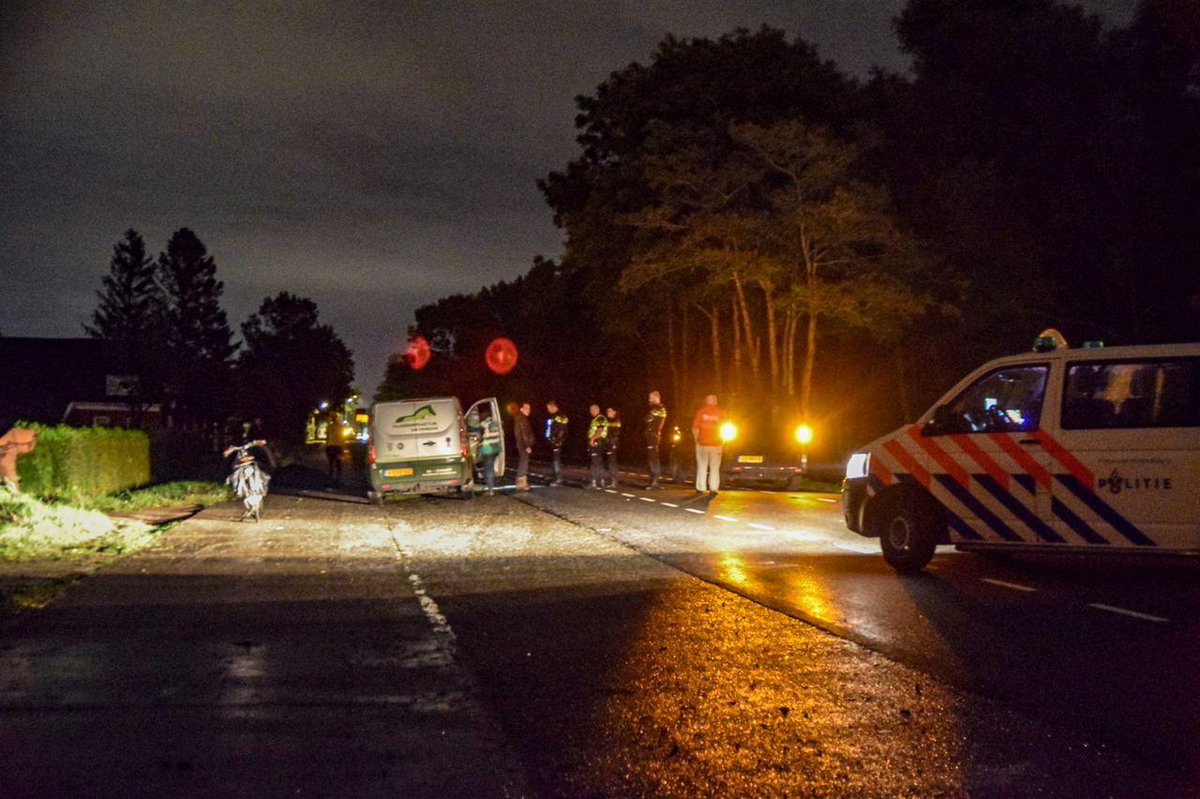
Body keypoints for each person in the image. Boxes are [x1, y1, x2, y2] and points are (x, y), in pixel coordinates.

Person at [691, 394, 727, 496]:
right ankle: (713, 488)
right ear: (716, 402)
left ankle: (701, 488)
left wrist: (697, 440)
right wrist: (723, 441)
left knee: (702, 466)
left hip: (702, 443)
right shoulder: (721, 413)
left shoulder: (701, 412)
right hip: (717, 444)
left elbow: (695, 428)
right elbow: (725, 428)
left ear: (706, 401)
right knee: (715, 467)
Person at [472, 408, 501, 496]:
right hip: (495, 449)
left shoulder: (484, 424)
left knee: (488, 469)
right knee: (490, 468)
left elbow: (476, 430)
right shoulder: (495, 423)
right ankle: (490, 484)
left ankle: (490, 490)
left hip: (488, 450)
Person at [644, 390, 667, 489]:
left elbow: (647, 418)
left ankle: (655, 480)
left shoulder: (659, 408)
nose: (649, 399)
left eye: (650, 397)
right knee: (651, 457)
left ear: (656, 397)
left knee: (653, 458)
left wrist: (649, 418)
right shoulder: (655, 408)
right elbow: (647, 418)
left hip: (654, 435)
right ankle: (653, 480)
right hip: (651, 435)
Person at [513, 402, 535, 491]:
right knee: (524, 463)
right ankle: (521, 483)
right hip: (523, 445)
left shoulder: (520, 418)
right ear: (521, 409)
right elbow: (524, 434)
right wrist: (527, 445)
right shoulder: (522, 419)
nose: (528, 410)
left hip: (521, 444)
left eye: (529, 408)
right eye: (526, 408)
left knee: (523, 462)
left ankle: (521, 483)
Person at [546, 400, 568, 485]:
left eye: (548, 408)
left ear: (553, 406)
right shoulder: (553, 416)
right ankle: (554, 476)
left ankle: (558, 478)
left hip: (557, 442)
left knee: (556, 460)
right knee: (554, 459)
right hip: (553, 441)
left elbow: (562, 430)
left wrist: (557, 441)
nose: (548, 410)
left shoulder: (560, 416)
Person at [586, 403, 607, 489]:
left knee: (595, 462)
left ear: (597, 410)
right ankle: (600, 481)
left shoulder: (600, 418)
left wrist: (593, 439)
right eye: (590, 410)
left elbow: (600, 430)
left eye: (593, 410)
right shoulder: (596, 418)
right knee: (597, 461)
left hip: (597, 442)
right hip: (597, 442)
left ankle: (594, 481)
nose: (591, 411)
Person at [604, 406, 621, 488]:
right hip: (608, 443)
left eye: (610, 411)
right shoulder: (608, 421)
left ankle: (614, 481)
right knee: (610, 462)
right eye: (607, 411)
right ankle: (613, 480)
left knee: (612, 462)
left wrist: (613, 443)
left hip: (612, 444)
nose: (608, 412)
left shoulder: (616, 421)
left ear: (614, 412)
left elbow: (616, 434)